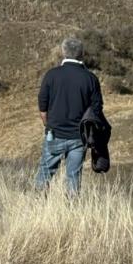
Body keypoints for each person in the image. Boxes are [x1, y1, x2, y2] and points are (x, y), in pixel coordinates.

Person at [35, 38, 104, 195]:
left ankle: (36, 205)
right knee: (73, 177)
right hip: (79, 138)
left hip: (54, 134)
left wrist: (49, 126)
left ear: (63, 52)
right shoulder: (90, 78)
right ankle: (72, 211)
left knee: (45, 172)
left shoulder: (51, 75)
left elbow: (42, 107)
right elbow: (97, 110)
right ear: (82, 54)